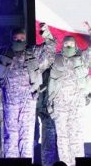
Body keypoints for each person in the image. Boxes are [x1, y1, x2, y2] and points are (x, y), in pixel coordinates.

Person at [0, 21, 56, 158]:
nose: (19, 41)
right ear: (11, 39)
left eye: (21, 39)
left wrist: (45, 31)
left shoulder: (33, 52)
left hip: (28, 102)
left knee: (27, 139)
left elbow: (51, 48)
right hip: (10, 102)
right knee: (10, 139)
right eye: (16, 39)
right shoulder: (4, 52)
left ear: (25, 39)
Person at [45, 21, 91, 166]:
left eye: (71, 45)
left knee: (76, 139)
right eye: (66, 44)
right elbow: (46, 51)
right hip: (60, 107)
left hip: (76, 106)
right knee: (63, 140)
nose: (68, 47)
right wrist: (46, 33)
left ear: (76, 46)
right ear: (62, 45)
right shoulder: (55, 59)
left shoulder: (83, 59)